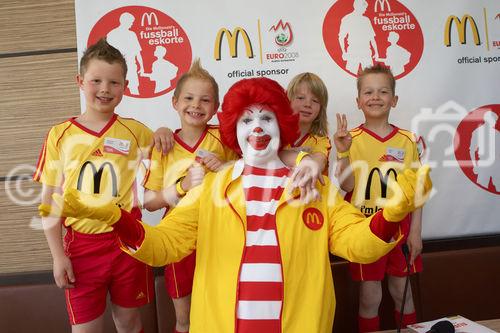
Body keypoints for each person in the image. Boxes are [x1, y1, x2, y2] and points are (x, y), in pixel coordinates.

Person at [45, 77, 432, 333]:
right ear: (234, 130)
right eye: (247, 120)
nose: (258, 127)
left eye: (267, 118)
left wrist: (394, 213)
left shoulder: (315, 185)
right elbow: (164, 245)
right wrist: (116, 218)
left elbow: (357, 243)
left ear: (282, 127)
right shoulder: (213, 188)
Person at [33, 38, 155, 333]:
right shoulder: (59, 135)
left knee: (129, 321)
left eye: (114, 82)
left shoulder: (137, 132)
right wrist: (58, 257)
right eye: (96, 80)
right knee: (86, 328)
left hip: (127, 241)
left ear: (125, 87)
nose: (104, 89)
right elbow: (49, 200)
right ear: (80, 81)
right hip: (82, 248)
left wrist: (163, 131)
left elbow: (173, 159)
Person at [142, 59, 238, 333]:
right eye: (189, 98)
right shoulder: (163, 144)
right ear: (174, 102)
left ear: (216, 107)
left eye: (205, 100)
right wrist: (181, 186)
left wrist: (226, 166)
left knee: (224, 312)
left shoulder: (227, 138)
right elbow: (149, 202)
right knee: (184, 319)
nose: (196, 105)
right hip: (179, 239)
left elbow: (255, 166)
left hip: (221, 235)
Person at [334, 64, 424, 332]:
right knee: (370, 296)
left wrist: (416, 232)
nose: (375, 97)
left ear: (394, 100)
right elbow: (347, 184)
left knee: (403, 293)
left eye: (383, 91)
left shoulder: (408, 141)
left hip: (400, 229)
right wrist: (342, 153)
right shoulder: (350, 139)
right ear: (358, 100)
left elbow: (416, 191)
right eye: (368, 92)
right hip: (366, 229)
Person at [286, 72, 331, 175]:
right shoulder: (276, 137)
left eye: (315, 100)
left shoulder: (321, 141)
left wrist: (310, 165)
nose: (307, 104)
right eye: (301, 98)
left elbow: (319, 162)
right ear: (288, 101)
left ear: (321, 109)